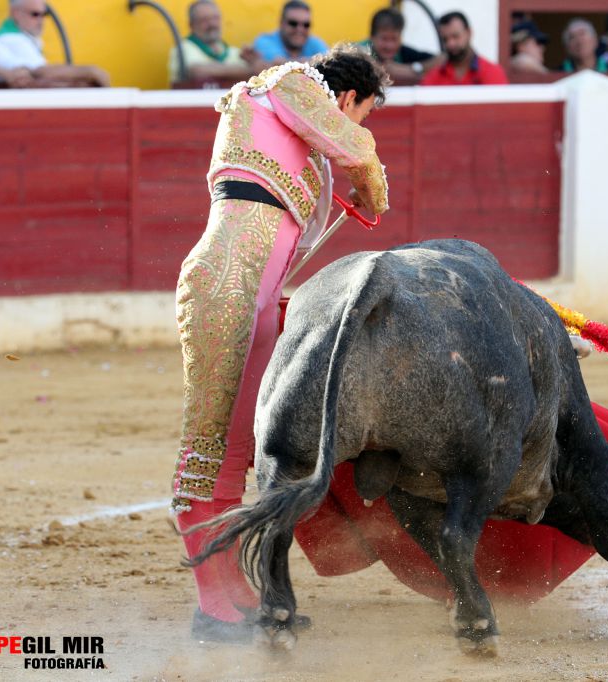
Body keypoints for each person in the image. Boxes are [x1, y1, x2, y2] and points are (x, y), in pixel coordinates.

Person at [171, 44, 390, 642]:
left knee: (241, 451)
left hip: (254, 290)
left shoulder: (284, 111)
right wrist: (373, 184)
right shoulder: (289, 82)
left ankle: (235, 594)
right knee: (209, 446)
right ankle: (211, 605)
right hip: (226, 284)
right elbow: (356, 150)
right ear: (346, 97)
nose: (358, 124)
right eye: (362, 111)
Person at [0, 0, 110, 86]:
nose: (41, 21)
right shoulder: (11, 39)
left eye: (43, 15)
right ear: (15, 13)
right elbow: (41, 72)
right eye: (35, 14)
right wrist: (91, 72)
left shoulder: (21, 37)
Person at [169, 0, 261, 85]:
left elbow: (259, 72)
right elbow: (198, 71)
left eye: (215, 18)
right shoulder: (183, 48)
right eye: (204, 20)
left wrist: (254, 62)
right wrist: (247, 70)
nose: (212, 24)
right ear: (191, 25)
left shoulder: (235, 52)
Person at [420, 11, 508, 86]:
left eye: (455, 36)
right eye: (445, 39)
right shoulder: (433, 78)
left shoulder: (492, 73)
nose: (451, 43)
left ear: (469, 33)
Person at [359, 7, 439, 86]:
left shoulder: (404, 52)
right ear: (372, 37)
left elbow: (443, 59)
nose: (389, 46)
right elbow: (386, 73)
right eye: (384, 39)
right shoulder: (358, 51)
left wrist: (414, 68)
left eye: (394, 39)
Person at [253, 0, 329, 63]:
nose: (300, 29)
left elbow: (328, 63)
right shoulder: (264, 41)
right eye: (293, 23)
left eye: (306, 25)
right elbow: (277, 64)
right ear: (281, 23)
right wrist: (318, 62)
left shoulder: (316, 43)